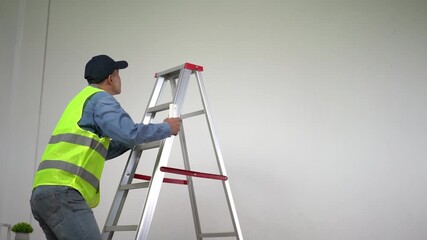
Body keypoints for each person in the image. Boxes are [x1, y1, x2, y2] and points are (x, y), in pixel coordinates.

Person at [30, 54, 181, 240]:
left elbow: (100, 149)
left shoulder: (80, 100)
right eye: (118, 74)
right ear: (110, 78)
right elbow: (129, 133)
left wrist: (132, 141)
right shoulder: (101, 99)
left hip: (42, 194)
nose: (119, 79)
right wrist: (166, 128)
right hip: (64, 192)